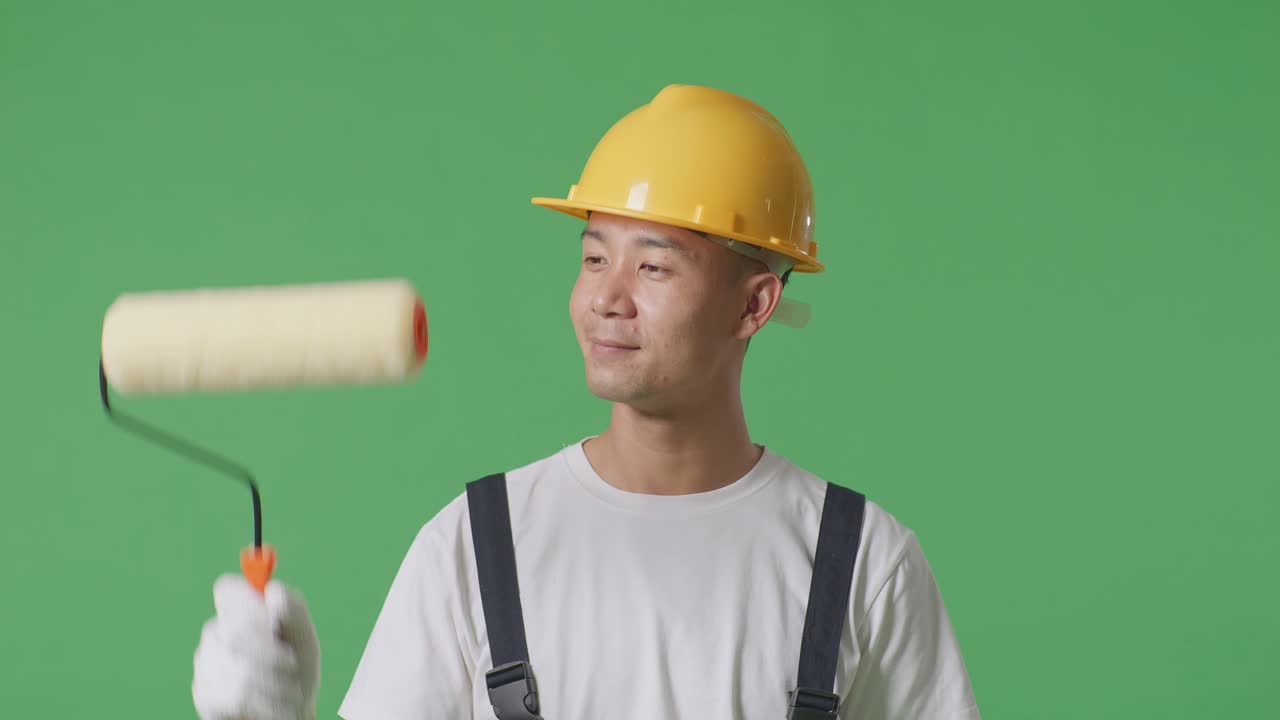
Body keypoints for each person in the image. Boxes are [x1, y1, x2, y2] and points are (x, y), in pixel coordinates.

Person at [191, 84, 981, 720]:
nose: (606, 299)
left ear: (755, 305)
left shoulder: (863, 564)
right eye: (594, 257)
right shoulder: (474, 547)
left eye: (654, 269)